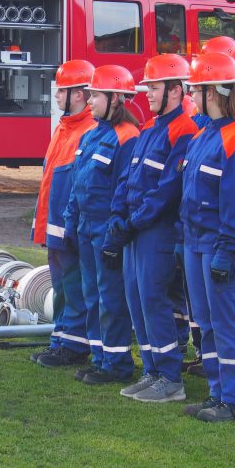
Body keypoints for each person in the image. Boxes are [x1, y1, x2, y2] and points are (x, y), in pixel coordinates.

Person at [106, 53, 198, 403]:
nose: (148, 94)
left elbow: (167, 189)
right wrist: (118, 216)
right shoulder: (149, 129)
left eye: (154, 88)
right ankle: (152, 369)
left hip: (156, 231)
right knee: (137, 301)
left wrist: (132, 221)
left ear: (175, 90)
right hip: (135, 230)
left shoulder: (184, 130)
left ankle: (170, 377)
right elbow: (127, 178)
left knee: (154, 300)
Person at [179, 52, 235, 422]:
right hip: (197, 241)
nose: (191, 97)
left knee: (227, 321)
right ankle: (218, 392)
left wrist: (227, 250)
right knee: (207, 322)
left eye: (196, 90)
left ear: (212, 92)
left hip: (220, 244)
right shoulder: (204, 135)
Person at [63, 65, 140, 384]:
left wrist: (116, 232)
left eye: (95, 95)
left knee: (111, 297)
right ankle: (100, 357)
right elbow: (78, 181)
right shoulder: (92, 134)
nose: (90, 101)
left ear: (116, 97)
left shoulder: (128, 137)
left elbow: (127, 189)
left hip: (107, 228)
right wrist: (71, 221)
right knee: (91, 293)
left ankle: (117, 363)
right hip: (86, 227)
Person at [30, 60, 98, 368]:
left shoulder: (87, 130)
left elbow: (79, 187)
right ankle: (61, 339)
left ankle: (73, 344)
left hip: (68, 228)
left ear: (80, 95)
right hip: (55, 227)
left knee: (73, 286)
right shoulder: (65, 128)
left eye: (62, 91)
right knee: (62, 287)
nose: (56, 96)